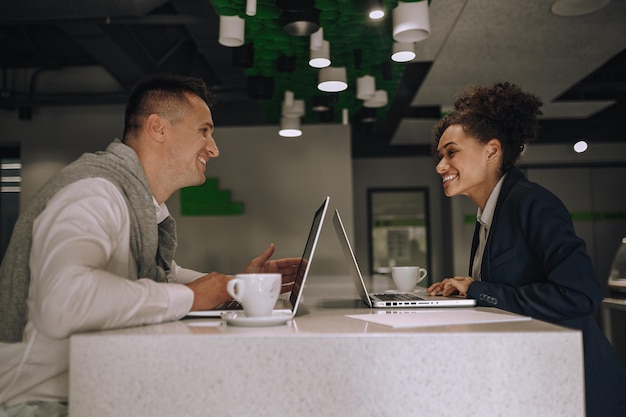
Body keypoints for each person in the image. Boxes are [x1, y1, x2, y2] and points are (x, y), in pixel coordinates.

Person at [0, 73, 302, 415]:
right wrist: (193, 296)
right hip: (38, 404)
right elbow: (64, 302)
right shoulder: (93, 193)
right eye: (204, 131)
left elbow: (164, 278)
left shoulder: (140, 205)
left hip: (93, 389)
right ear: (158, 128)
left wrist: (237, 286)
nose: (214, 148)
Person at [427, 81, 626, 417]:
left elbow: (579, 295)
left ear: (492, 150)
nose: (440, 166)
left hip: (579, 388)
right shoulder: (489, 215)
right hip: (539, 378)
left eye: (451, 152)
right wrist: (468, 290)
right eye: (440, 156)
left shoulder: (532, 202)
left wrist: (480, 290)